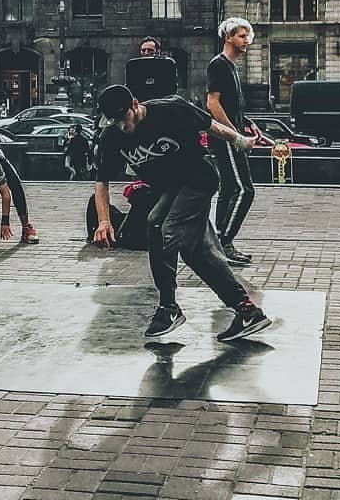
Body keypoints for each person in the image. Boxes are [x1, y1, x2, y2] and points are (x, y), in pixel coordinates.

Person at [92, 84, 272, 343]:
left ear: (134, 104)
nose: (122, 126)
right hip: (170, 188)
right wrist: (104, 221)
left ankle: (169, 308)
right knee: (193, 249)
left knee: (164, 230)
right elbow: (102, 183)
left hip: (198, 180)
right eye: (115, 121)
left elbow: (212, 126)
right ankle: (247, 311)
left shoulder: (171, 110)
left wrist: (241, 141)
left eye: (124, 118)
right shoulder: (112, 136)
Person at [207, 17, 271, 264]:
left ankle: (217, 242)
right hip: (225, 139)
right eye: (242, 36)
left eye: (248, 37)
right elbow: (212, 103)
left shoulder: (231, 67)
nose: (247, 41)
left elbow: (232, 106)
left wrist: (250, 127)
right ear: (228, 37)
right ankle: (223, 243)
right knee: (245, 190)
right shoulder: (219, 65)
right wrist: (235, 135)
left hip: (231, 135)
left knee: (229, 190)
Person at [125, 35, 179, 101]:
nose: (146, 53)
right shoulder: (134, 67)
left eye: (150, 50)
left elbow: (171, 89)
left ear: (158, 51)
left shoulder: (166, 65)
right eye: (143, 50)